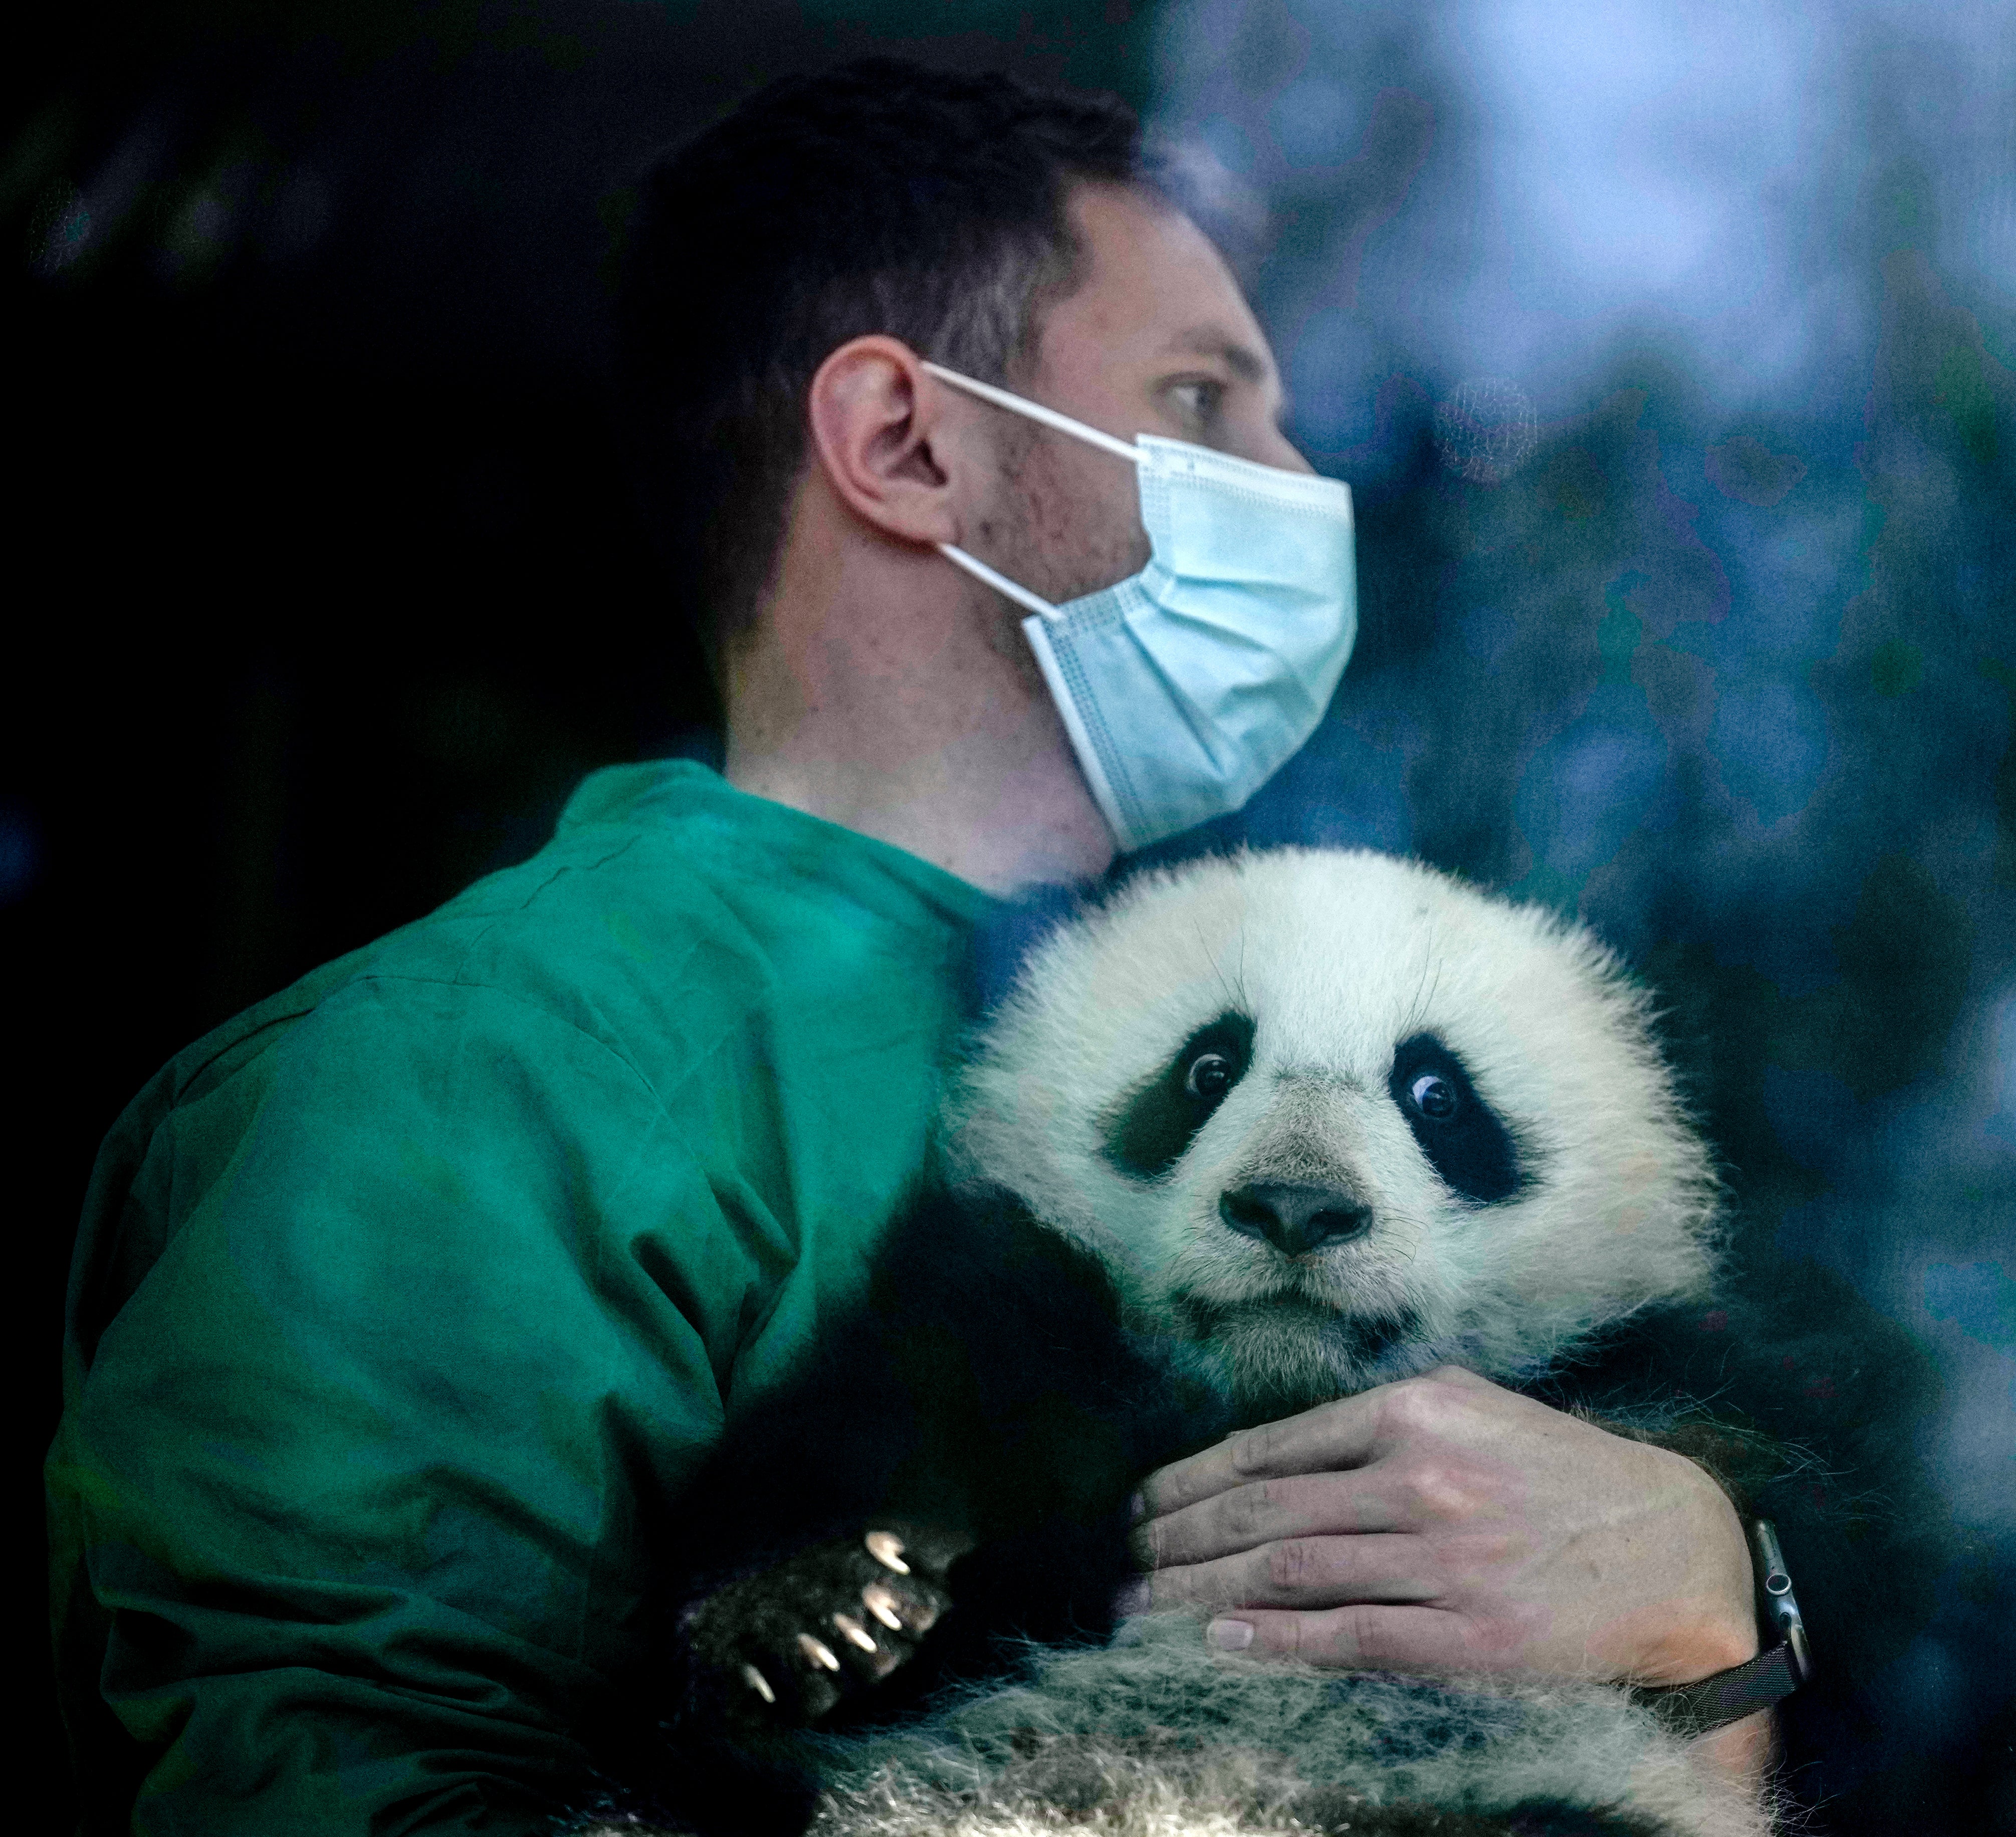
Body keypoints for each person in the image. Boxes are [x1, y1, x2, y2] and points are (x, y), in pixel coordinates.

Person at [46, 62, 1768, 1835]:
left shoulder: (1231, 973)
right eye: (1203, 399)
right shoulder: (452, 1084)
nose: (1300, 481)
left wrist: (1709, 1596)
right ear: (903, 441)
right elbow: (333, 1787)